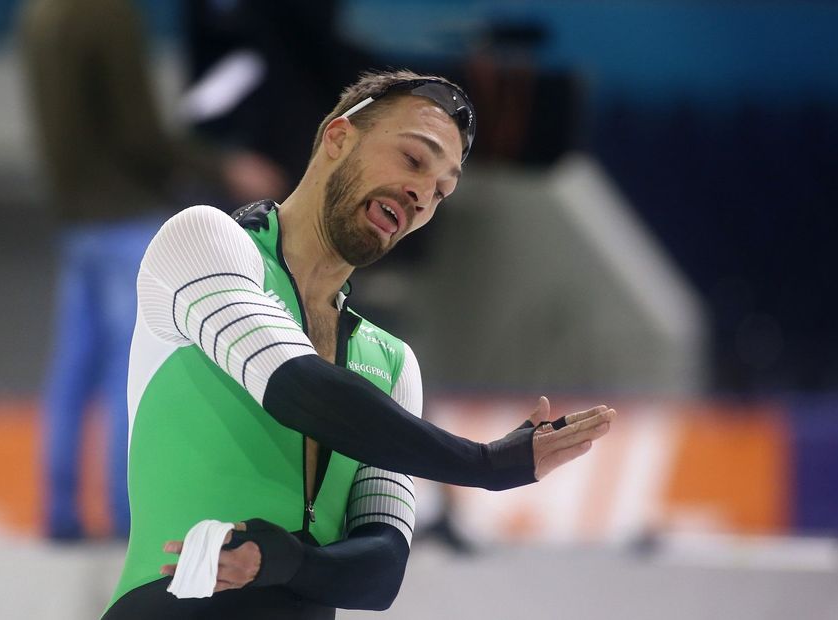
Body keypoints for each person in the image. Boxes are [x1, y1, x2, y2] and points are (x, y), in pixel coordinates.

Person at [103, 69, 616, 617]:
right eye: (414, 159)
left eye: (442, 191)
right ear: (338, 137)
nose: (423, 194)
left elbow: (382, 572)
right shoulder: (205, 242)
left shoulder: (390, 363)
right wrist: (485, 464)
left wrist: (284, 562)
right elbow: (298, 387)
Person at [20, 0, 277, 539]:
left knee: (72, 370)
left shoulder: (39, 15)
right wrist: (223, 168)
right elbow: (139, 135)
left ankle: (59, 513)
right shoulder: (107, 13)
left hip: (74, 219)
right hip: (124, 219)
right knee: (131, 372)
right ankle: (127, 516)